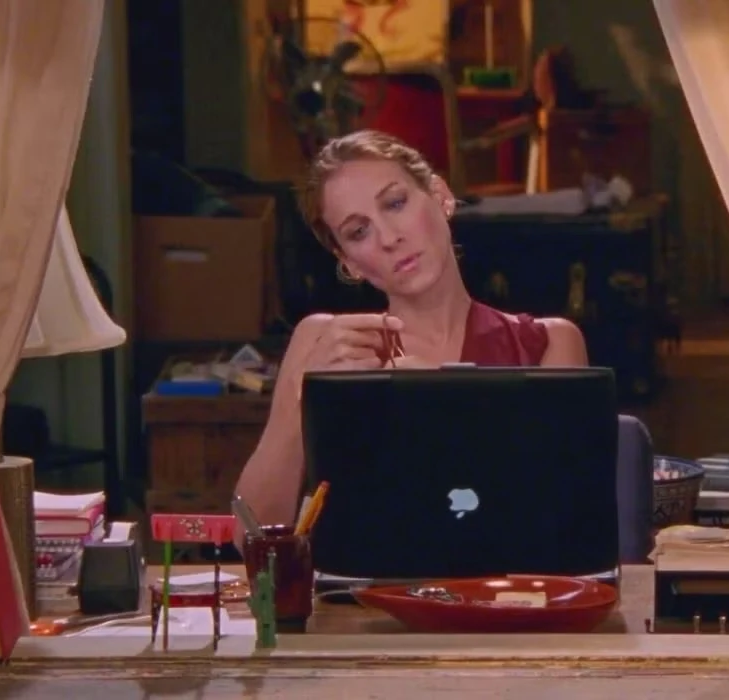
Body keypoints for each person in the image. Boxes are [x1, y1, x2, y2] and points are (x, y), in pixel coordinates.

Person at [232, 130, 589, 545]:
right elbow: (250, 536)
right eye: (358, 232)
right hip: (356, 604)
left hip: (501, 600)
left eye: (395, 203)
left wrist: (439, 411)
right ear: (348, 262)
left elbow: (564, 525)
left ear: (440, 195)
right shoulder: (322, 342)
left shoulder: (546, 345)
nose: (388, 238)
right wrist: (303, 401)